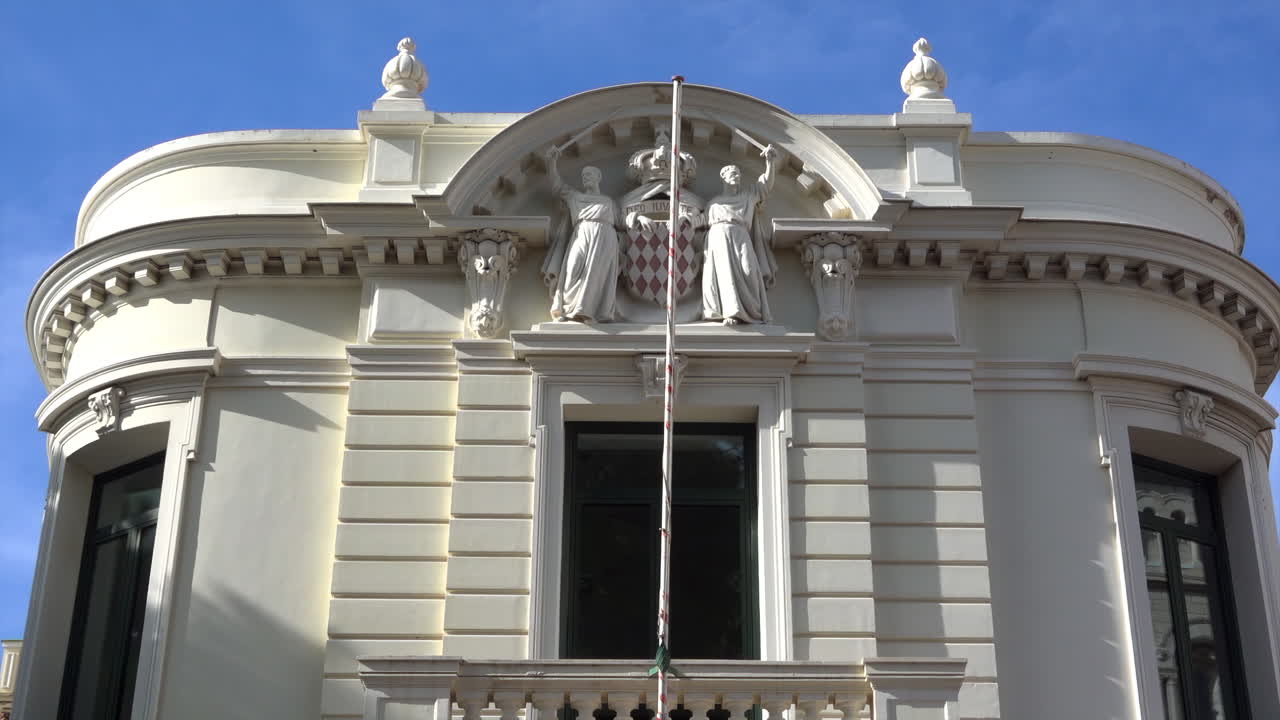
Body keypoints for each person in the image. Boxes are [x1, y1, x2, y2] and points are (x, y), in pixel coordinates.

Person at [540, 147, 622, 322]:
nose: (586, 178)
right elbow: (557, 185)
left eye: (589, 175)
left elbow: (622, 222)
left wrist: (639, 217)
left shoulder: (608, 201)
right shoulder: (575, 197)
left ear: (598, 178)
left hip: (605, 239)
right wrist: (551, 162)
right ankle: (566, 309)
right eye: (584, 176)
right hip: (582, 234)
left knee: (596, 276)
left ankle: (588, 312)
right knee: (573, 268)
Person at [701, 144, 780, 325]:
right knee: (724, 274)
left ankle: (753, 311)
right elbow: (700, 223)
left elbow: (765, 185)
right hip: (719, 238)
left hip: (741, 235)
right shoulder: (714, 204)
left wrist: (770, 162)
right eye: (733, 173)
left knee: (749, 270)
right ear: (723, 178)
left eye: (738, 174)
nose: (737, 176)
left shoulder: (747, 196)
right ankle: (731, 312)